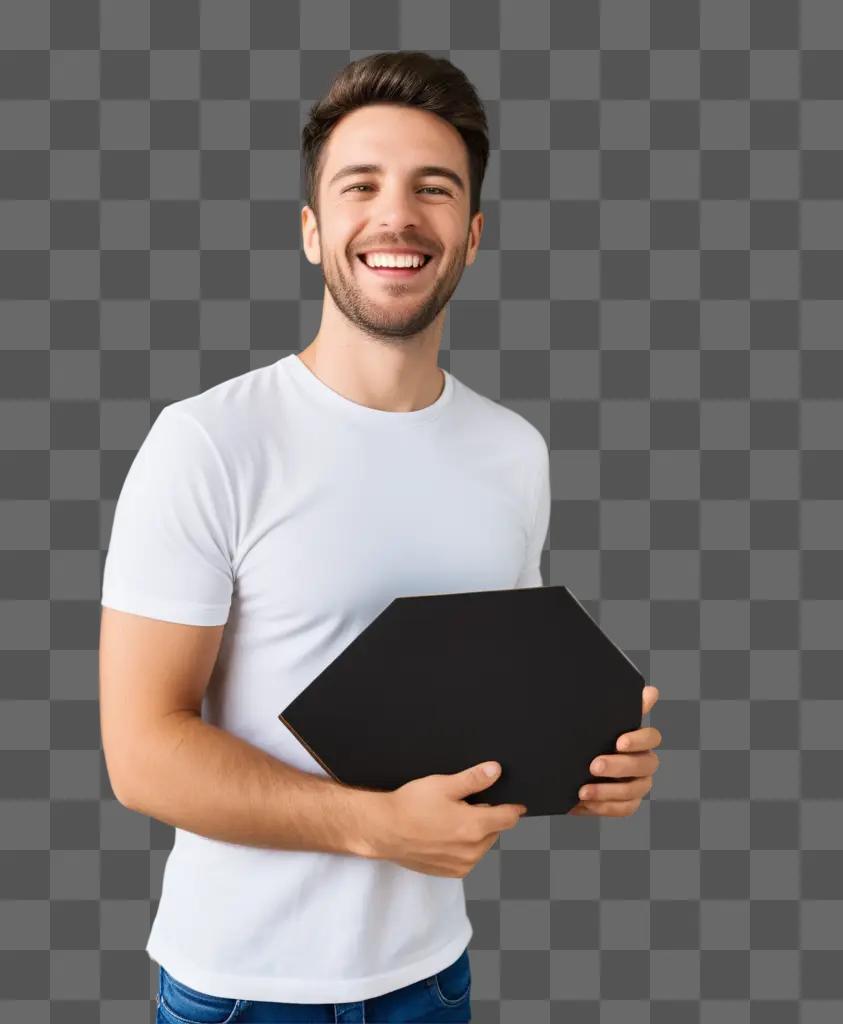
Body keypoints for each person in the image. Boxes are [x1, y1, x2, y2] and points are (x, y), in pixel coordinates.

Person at [98, 49, 661, 1024]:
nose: (396, 216)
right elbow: (141, 751)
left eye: (432, 189)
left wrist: (584, 767)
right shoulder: (207, 443)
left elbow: (473, 709)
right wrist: (374, 828)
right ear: (314, 232)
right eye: (361, 186)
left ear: (472, 234)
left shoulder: (512, 452)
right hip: (243, 991)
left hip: (430, 979)